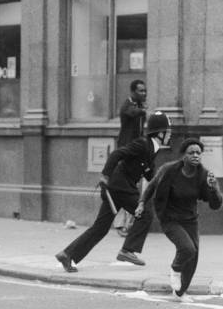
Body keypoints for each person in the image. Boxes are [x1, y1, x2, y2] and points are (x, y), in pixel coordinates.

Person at [55, 111, 171, 272]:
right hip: (121, 186)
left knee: (100, 228)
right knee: (144, 213)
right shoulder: (142, 144)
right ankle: (127, 250)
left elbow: (146, 170)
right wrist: (105, 176)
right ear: (159, 133)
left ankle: (67, 255)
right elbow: (117, 154)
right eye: (168, 131)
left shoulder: (153, 148)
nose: (170, 135)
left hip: (118, 188)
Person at [136, 138, 222, 302]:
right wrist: (141, 203)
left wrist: (213, 188)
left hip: (190, 220)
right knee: (187, 249)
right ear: (184, 155)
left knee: (193, 256)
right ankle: (175, 269)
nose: (195, 156)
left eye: (198, 153)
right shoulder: (169, 170)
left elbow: (215, 204)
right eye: (191, 153)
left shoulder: (203, 175)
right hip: (170, 218)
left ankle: (180, 292)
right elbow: (152, 186)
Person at [114, 80, 148, 237]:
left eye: (145, 91)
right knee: (125, 187)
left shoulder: (139, 106)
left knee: (133, 186)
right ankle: (121, 224)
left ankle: (128, 223)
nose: (144, 93)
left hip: (136, 151)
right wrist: (144, 111)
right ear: (133, 92)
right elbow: (130, 112)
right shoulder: (128, 105)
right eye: (141, 91)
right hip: (126, 151)